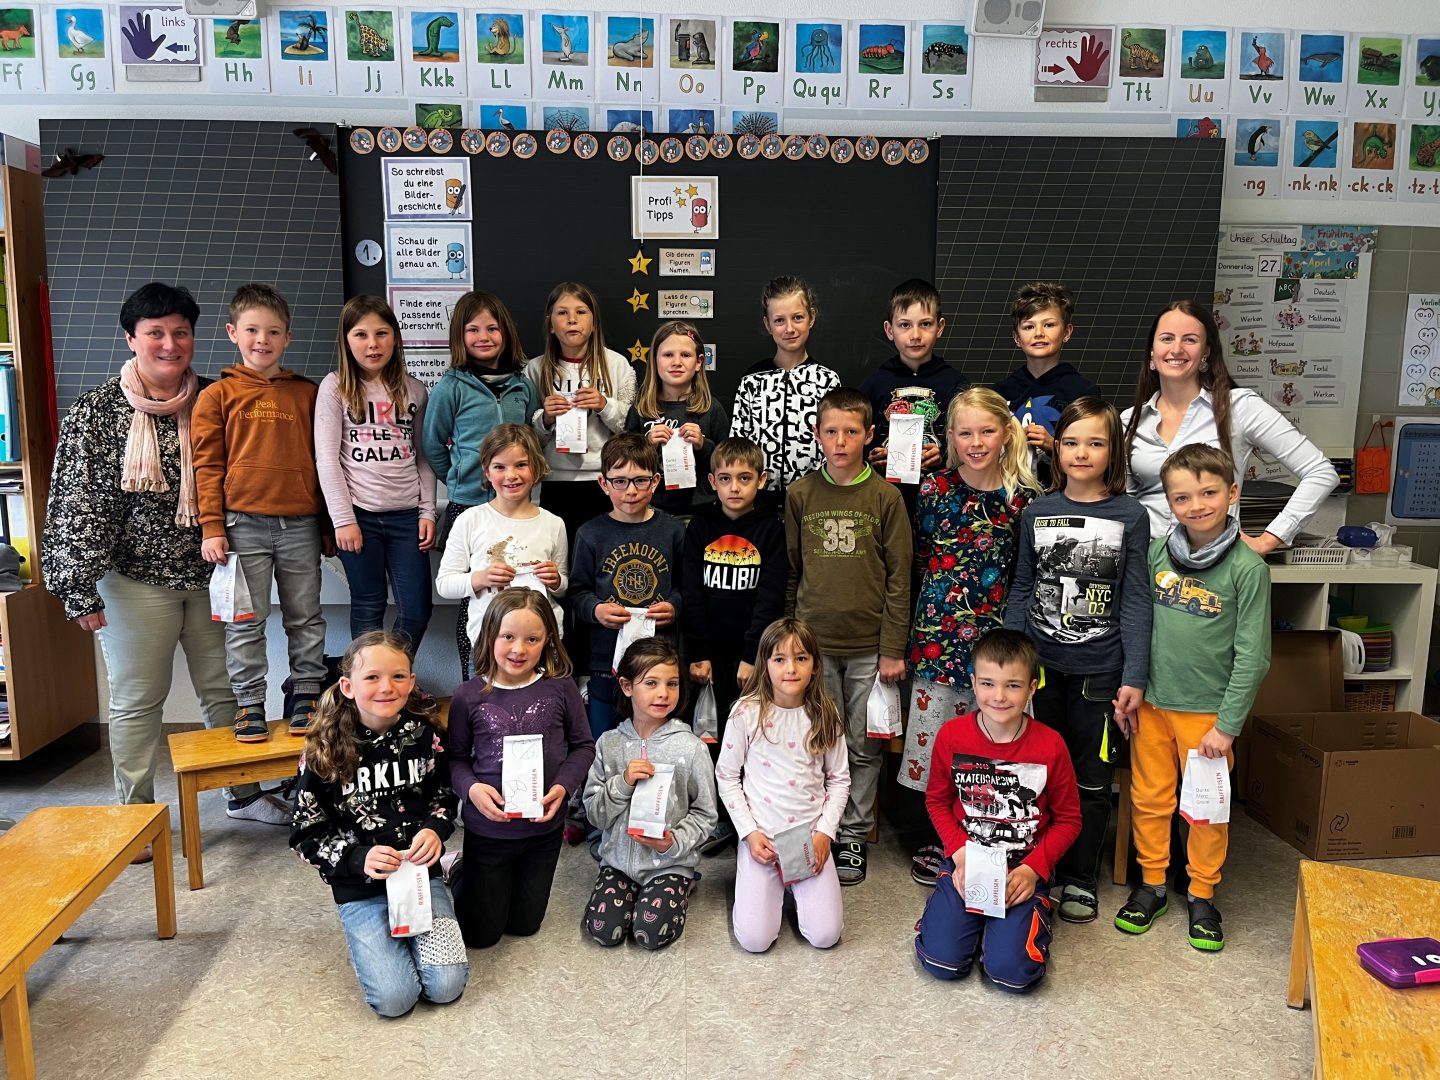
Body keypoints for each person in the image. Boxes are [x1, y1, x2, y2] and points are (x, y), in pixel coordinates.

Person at [43, 282, 290, 852]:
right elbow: (76, 500)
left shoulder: (217, 397)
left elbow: (253, 472)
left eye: (180, 332)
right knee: (137, 700)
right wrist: (77, 588)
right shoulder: (99, 411)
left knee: (225, 690)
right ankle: (136, 816)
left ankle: (244, 796)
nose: (169, 343)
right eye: (155, 333)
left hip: (214, 573)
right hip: (132, 581)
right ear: (132, 339)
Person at [1115, 444, 1271, 953]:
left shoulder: (1247, 568)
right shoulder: (1157, 552)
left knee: (1205, 811)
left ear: (1232, 493)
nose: (1196, 504)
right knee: (1151, 798)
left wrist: (1227, 725)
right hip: (1153, 706)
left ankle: (1202, 892)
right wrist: (1131, 685)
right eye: (1182, 496)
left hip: (1208, 716)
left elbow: (1254, 656)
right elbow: (1135, 620)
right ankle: (1153, 884)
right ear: (1169, 501)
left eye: (1208, 493)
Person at [1004, 398, 1151, 924]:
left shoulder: (1130, 516)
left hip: (1099, 674)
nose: (1081, 452)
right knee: (1034, 774)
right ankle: (1036, 868)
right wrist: (1011, 662)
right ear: (1056, 447)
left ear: (1113, 450)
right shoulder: (1038, 513)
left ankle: (1080, 878)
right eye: (1071, 442)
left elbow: (1136, 598)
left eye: (1095, 442)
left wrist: (1133, 675)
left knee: (1091, 781)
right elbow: (1023, 586)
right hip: (1040, 672)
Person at [901, 388, 1039, 887]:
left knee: (991, 743)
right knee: (937, 742)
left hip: (995, 644)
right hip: (937, 637)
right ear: (950, 438)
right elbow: (917, 560)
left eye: (986, 431)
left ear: (1006, 434)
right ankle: (937, 837)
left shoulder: (1023, 499)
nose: (976, 442)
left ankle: (989, 833)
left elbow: (1026, 574)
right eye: (965, 433)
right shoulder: (934, 490)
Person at [289, 631, 468, 1018]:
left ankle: (453, 872)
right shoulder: (323, 750)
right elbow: (304, 833)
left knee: (446, 986)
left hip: (421, 876)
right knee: (393, 1000)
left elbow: (446, 795)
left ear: (412, 682)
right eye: (372, 677)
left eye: (398, 676)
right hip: (360, 888)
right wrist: (358, 858)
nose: (387, 687)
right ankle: (371, 945)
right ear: (348, 686)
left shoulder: (426, 734)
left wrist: (434, 830)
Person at [785, 387, 911, 886]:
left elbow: (901, 577)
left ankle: (855, 834)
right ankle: (822, 828)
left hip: (867, 649)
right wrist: (788, 643)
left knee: (862, 745)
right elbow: (793, 573)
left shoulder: (885, 497)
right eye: (831, 431)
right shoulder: (800, 494)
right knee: (818, 741)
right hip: (812, 647)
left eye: (851, 432)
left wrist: (892, 647)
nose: (840, 442)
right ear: (818, 435)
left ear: (869, 436)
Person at [192, 283, 329, 742]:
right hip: (239, 527)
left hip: (300, 525)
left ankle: (307, 695)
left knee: (305, 616)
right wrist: (212, 527)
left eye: (273, 332)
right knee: (244, 622)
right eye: (252, 330)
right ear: (233, 332)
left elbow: (327, 462)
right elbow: (206, 465)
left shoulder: (308, 395)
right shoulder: (216, 397)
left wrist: (328, 525)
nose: (262, 340)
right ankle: (249, 704)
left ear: (288, 338)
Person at [915, 629, 1081, 992]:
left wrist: (1034, 870)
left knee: (1012, 976)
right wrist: (958, 855)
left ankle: (1024, 917)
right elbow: (937, 801)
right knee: (940, 962)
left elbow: (1069, 819)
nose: (999, 696)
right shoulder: (952, 736)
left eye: (1013, 686)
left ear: (1033, 688)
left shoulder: (1051, 745)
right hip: (967, 860)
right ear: (973, 683)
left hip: (1021, 868)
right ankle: (953, 915)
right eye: (988, 683)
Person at [1121, 299, 1339, 551]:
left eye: (1190, 339)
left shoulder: (1239, 407)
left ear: (1206, 353)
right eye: (1167, 338)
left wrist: (1268, 540)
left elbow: (1321, 472)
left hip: (1216, 568)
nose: (1177, 349)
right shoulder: (1129, 421)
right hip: (1146, 566)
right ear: (1151, 351)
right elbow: (1126, 502)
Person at [445, 589, 596, 948]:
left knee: (525, 926)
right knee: (481, 937)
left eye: (532, 639)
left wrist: (562, 788)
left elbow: (583, 747)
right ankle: (459, 867)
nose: (519, 649)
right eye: (508, 637)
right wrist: (471, 790)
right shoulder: (468, 695)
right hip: (488, 832)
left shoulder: (561, 689)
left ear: (548, 641)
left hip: (542, 834)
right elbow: (455, 759)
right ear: (490, 636)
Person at [715, 617, 851, 953]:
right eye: (780, 659)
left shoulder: (826, 714)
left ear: (815, 666)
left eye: (801, 658)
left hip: (808, 840)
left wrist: (824, 835)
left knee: (825, 936)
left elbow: (839, 779)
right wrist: (749, 833)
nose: (791, 669)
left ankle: (797, 887)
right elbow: (727, 777)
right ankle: (764, 886)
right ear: (765, 665)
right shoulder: (745, 713)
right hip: (763, 839)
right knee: (755, 941)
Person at [681, 436, 787, 853]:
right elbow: (691, 590)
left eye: (745, 478)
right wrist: (699, 651)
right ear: (712, 481)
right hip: (711, 653)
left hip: (754, 656)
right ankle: (721, 817)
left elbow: (771, 597)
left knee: (756, 734)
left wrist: (752, 656)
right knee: (718, 736)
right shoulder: (701, 527)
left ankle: (758, 814)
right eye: (725, 479)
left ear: (761, 480)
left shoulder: (770, 530)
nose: (735, 487)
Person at [422, 290, 537, 673]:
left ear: (506, 332)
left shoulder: (523, 386)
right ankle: (472, 682)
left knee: (514, 597)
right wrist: (459, 478)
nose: (483, 336)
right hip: (467, 505)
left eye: (492, 327)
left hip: (516, 508)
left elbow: (532, 442)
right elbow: (433, 444)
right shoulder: (450, 387)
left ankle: (513, 680)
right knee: (473, 600)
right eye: (473, 329)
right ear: (460, 336)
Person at [315, 295, 436, 651]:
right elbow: (327, 458)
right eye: (361, 335)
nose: (372, 344)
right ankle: (369, 690)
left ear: (395, 338)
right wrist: (342, 519)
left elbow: (423, 457)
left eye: (382, 333)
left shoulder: (414, 389)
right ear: (346, 339)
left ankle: (395, 678)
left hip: (406, 518)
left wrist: (427, 511)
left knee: (416, 610)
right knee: (369, 606)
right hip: (359, 517)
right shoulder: (335, 388)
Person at [581, 638, 718, 949]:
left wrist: (674, 843)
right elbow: (594, 814)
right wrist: (623, 782)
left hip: (669, 863)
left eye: (672, 684)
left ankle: (682, 884)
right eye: (651, 683)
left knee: (650, 933)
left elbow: (706, 813)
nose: (663, 693)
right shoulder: (609, 744)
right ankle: (634, 892)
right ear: (628, 687)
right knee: (604, 931)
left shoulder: (691, 748)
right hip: (617, 863)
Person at [569, 433, 686, 738]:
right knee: (603, 742)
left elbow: (687, 588)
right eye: (619, 481)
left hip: (660, 661)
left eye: (640, 480)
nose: (631, 491)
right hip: (606, 661)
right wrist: (596, 610)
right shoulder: (589, 534)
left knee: (659, 743)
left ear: (656, 481)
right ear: (603, 484)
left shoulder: (673, 531)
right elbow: (577, 592)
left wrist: (674, 605)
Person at [434, 424, 567, 677]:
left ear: (536, 467)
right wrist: (480, 578)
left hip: (541, 647)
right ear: (487, 470)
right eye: (500, 467)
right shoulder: (470, 520)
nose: (511, 475)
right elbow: (445, 584)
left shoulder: (553, 523)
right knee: (485, 713)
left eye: (521, 465)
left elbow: (564, 587)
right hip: (486, 643)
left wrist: (556, 580)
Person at [525, 282, 636, 546]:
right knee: (561, 559)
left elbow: (631, 428)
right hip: (555, 481)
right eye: (562, 313)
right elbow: (526, 439)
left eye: (581, 312)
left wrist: (603, 404)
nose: (572, 320)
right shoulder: (534, 369)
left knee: (603, 558)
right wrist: (546, 419)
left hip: (606, 479)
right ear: (550, 324)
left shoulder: (617, 364)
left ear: (594, 322)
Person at [729, 276, 840, 514]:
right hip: (758, 505)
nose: (789, 329)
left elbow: (834, 443)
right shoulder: (751, 380)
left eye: (797, 318)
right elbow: (738, 445)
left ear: (812, 317)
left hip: (813, 502)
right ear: (768, 325)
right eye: (779, 320)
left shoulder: (828, 381)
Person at [861, 278, 971, 516]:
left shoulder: (954, 383)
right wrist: (869, 455)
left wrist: (943, 454)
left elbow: (970, 439)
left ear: (940, 327)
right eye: (904, 325)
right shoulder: (875, 384)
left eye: (925, 324)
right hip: (885, 499)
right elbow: (856, 438)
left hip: (942, 500)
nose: (915, 335)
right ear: (889, 330)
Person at [992, 282, 1099, 489]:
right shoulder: (999, 393)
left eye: (1049, 325)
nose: (1039, 333)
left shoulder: (1083, 392)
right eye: (1029, 326)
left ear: (1067, 332)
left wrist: (1052, 446)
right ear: (1016, 337)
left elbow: (1093, 454)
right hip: (1010, 495)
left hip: (1062, 494)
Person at [624, 320, 729, 516]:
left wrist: (703, 445)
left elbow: (729, 463)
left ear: (699, 362)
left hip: (703, 510)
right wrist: (647, 445)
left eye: (686, 355)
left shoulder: (711, 409)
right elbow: (625, 462)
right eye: (668, 355)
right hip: (653, 508)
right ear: (655, 360)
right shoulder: (641, 409)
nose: (677, 362)